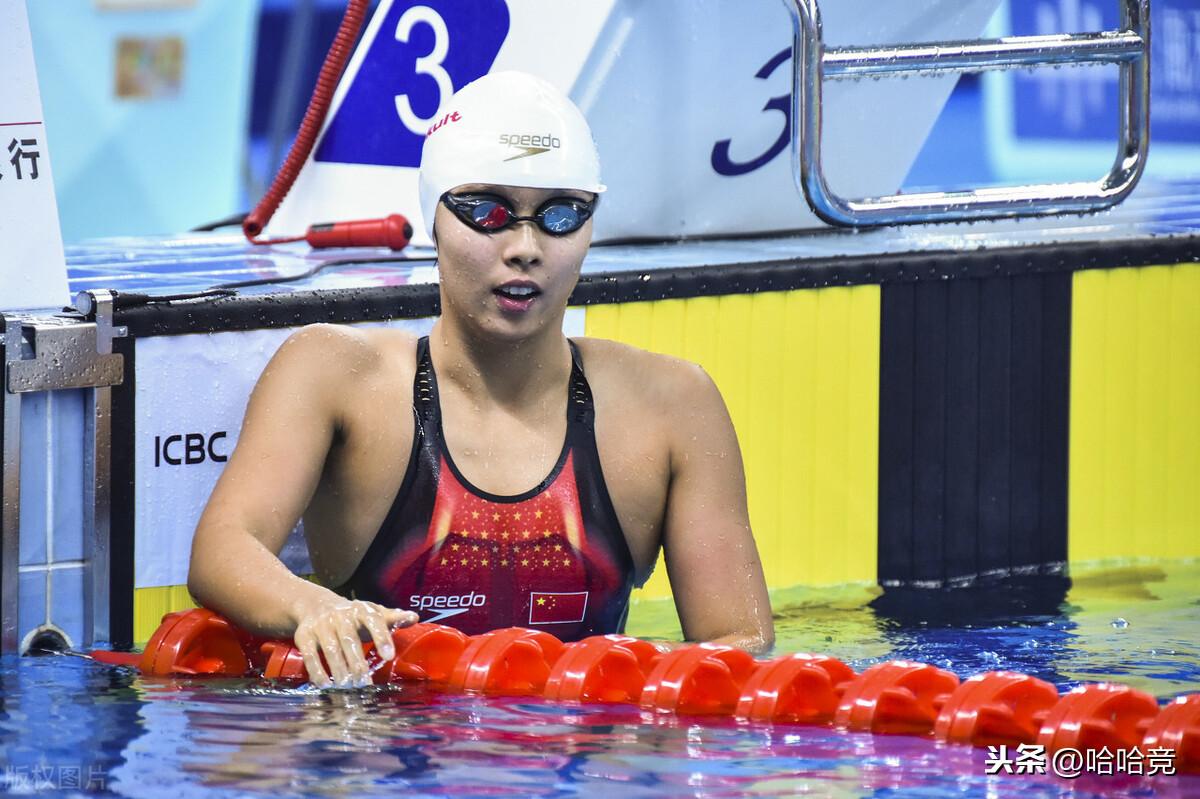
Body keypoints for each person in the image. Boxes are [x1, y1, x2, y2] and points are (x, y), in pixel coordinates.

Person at [188, 71, 773, 688]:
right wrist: (315, 609)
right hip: (382, 765)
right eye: (487, 211)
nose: (525, 246)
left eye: (561, 214)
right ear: (434, 220)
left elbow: (743, 643)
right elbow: (225, 547)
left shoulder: (672, 406)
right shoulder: (338, 377)